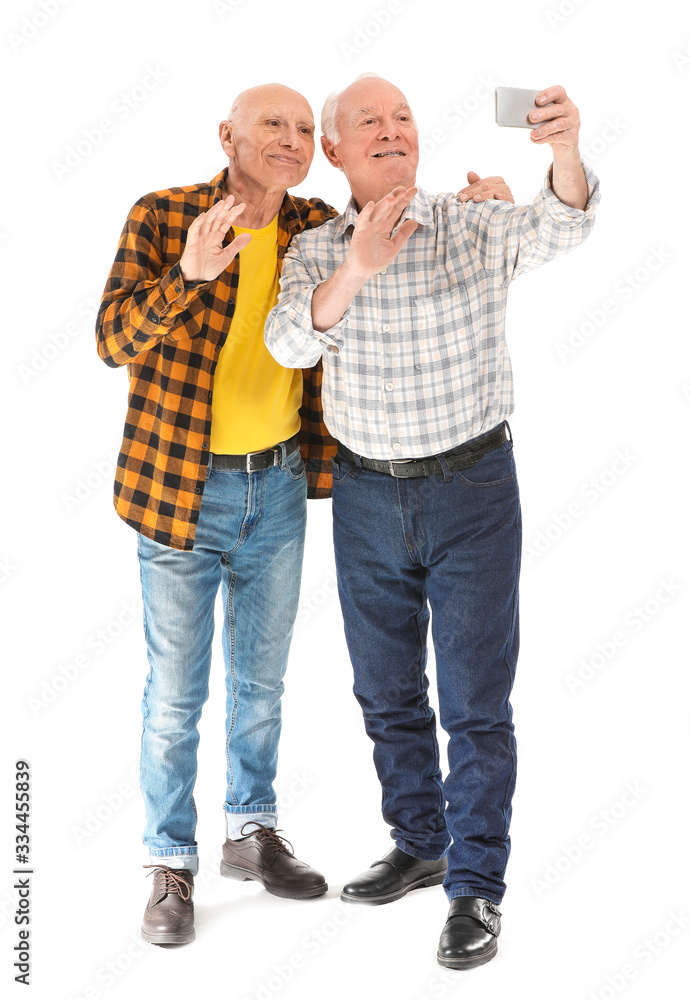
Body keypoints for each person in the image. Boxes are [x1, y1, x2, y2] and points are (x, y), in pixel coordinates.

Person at [96, 80, 514, 946]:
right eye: (269, 125)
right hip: (179, 490)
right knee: (174, 694)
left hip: (281, 486)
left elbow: (385, 230)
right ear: (227, 135)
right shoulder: (165, 215)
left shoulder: (311, 227)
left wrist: (484, 210)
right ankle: (171, 862)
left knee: (261, 683)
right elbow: (111, 341)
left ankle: (252, 831)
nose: (287, 138)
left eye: (298, 126)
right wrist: (187, 275)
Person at [265, 74, 600, 970]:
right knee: (384, 691)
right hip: (366, 496)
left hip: (473, 492)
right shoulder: (318, 250)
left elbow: (561, 224)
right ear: (334, 151)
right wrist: (358, 268)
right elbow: (292, 342)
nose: (390, 130)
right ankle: (421, 841)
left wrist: (564, 152)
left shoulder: (467, 223)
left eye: (403, 117)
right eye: (367, 122)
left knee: (475, 704)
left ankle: (475, 890)